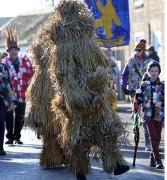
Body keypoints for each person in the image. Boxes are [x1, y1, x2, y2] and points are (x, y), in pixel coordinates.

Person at [30, 1, 130, 180]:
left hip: (95, 94)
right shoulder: (62, 51)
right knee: (79, 137)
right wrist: (79, 96)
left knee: (107, 128)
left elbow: (101, 63)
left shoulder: (88, 44)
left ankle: (115, 163)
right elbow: (63, 77)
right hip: (76, 99)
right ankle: (80, 170)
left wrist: (107, 68)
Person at [3, 27, 34, 145]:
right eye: (11, 51)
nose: (13, 52)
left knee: (20, 116)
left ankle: (17, 136)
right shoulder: (5, 63)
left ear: (18, 51)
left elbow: (32, 73)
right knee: (9, 117)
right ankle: (9, 136)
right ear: (8, 52)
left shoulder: (25, 61)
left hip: (22, 93)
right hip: (9, 95)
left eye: (15, 50)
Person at [121, 41, 152, 151]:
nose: (136, 52)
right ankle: (136, 134)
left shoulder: (149, 62)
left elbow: (154, 73)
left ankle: (148, 143)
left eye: (139, 50)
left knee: (145, 116)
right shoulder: (130, 61)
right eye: (136, 50)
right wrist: (123, 86)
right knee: (136, 115)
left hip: (146, 93)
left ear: (143, 51)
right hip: (134, 93)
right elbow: (124, 75)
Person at [134, 61, 164, 169]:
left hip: (159, 114)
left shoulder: (162, 85)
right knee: (153, 136)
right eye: (152, 71)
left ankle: (152, 159)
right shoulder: (144, 85)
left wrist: (162, 102)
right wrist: (138, 103)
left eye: (156, 71)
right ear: (148, 72)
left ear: (159, 72)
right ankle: (158, 160)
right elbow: (138, 97)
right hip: (147, 113)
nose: (154, 73)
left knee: (158, 137)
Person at [0, 48, 17, 155]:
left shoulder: (4, 67)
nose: (2, 59)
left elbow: (9, 83)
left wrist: (12, 99)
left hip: (2, 100)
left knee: (1, 122)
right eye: (0, 58)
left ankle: (1, 147)